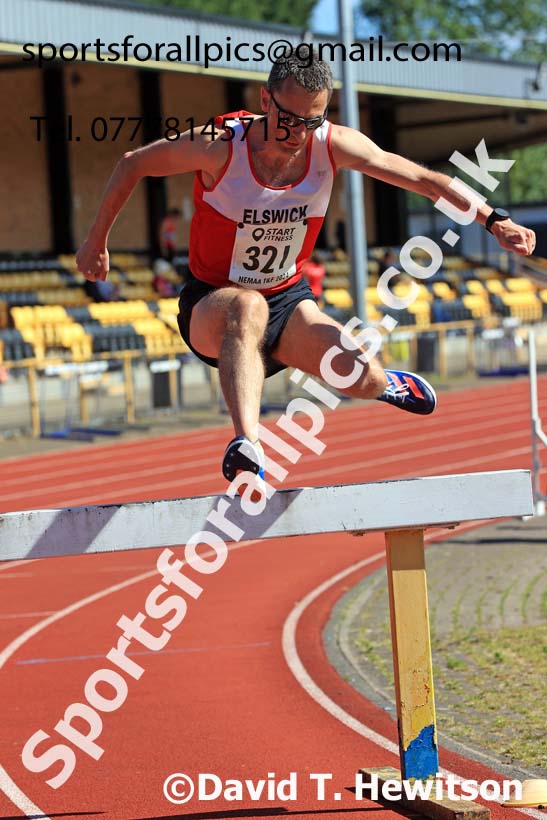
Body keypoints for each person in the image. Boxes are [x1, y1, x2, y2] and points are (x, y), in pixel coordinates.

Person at [76, 51, 536, 489]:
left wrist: (493, 219)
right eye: (288, 119)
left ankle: (384, 383)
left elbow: (422, 179)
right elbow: (132, 164)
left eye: (311, 120)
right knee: (246, 305)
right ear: (264, 100)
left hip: (289, 301)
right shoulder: (218, 146)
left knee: (361, 376)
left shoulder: (331, 144)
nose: (297, 133)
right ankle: (247, 444)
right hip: (212, 304)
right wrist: (96, 241)